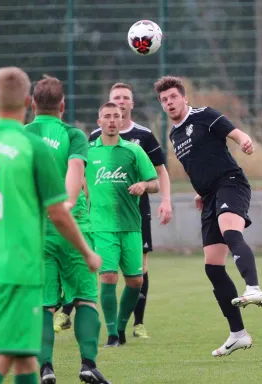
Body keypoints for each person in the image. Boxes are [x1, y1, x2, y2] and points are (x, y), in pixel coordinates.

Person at [0, 67, 102, 384]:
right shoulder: (33, 147)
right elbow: (58, 211)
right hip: (18, 267)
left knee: (26, 359)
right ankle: (88, 362)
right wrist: (86, 251)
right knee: (2, 354)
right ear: (27, 100)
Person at [153, 75, 262, 358]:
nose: (169, 103)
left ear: (184, 98)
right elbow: (196, 166)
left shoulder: (204, 115)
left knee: (231, 233)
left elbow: (235, 133)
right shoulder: (174, 135)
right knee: (213, 267)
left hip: (230, 182)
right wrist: (199, 192)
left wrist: (244, 141)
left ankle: (253, 287)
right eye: (164, 100)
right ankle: (238, 334)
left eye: (173, 97)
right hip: (208, 196)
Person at [24, 76, 111, 384]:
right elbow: (76, 169)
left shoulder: (22, 135)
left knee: (45, 305)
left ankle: (46, 368)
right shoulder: (74, 135)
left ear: (32, 105)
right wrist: (69, 202)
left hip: (38, 232)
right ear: (63, 105)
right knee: (87, 299)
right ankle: (88, 364)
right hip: (75, 228)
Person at [85, 82, 173, 339]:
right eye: (108, 116)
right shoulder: (88, 152)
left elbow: (156, 180)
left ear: (124, 116)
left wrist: (144, 185)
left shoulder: (135, 148)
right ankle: (112, 333)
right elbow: (78, 183)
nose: (113, 120)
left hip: (132, 224)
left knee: (135, 281)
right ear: (99, 121)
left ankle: (127, 325)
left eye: (117, 116)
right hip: (102, 226)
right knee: (109, 277)